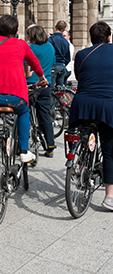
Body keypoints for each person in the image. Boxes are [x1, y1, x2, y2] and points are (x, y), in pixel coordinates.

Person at [0, 15, 46, 210]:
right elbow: (34, 62)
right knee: (23, 111)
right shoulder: (21, 44)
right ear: (16, 31)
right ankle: (23, 150)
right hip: (15, 97)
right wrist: (42, 77)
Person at [69, 21, 113, 211]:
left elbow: (80, 77)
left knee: (77, 132)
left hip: (83, 104)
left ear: (91, 38)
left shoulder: (81, 54)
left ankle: (78, 165)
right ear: (109, 37)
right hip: (107, 106)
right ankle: (110, 197)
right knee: (110, 152)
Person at [24, 25, 56, 157]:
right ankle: (50, 146)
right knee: (45, 116)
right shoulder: (50, 47)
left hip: (32, 85)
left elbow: (26, 73)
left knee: (25, 115)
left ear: (31, 36)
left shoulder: (31, 48)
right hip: (46, 85)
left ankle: (23, 146)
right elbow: (53, 64)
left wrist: (29, 73)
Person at [48, 20, 70, 88]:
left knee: (50, 89)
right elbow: (68, 57)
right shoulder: (66, 42)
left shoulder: (51, 39)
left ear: (55, 27)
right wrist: (63, 63)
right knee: (60, 90)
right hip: (62, 66)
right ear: (64, 29)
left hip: (54, 66)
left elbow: (49, 54)